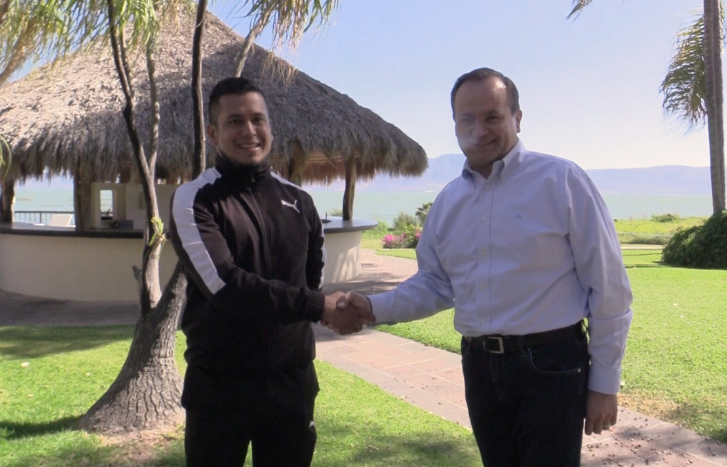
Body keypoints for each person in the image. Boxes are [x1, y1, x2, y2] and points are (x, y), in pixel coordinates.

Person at [340, 67, 633, 466]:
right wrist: (373, 307)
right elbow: (435, 285)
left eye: (493, 116)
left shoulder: (562, 181)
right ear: (456, 124)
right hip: (479, 366)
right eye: (468, 119)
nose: (481, 129)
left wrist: (604, 384)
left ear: (517, 118)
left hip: (551, 365)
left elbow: (610, 288)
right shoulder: (448, 202)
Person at [169, 77, 373, 467]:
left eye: (257, 120)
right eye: (234, 121)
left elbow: (312, 277)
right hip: (219, 386)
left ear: (270, 128)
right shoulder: (195, 199)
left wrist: (316, 304)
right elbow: (225, 285)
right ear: (213, 132)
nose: (249, 131)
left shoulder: (299, 201)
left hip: (291, 383)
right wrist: (320, 306)